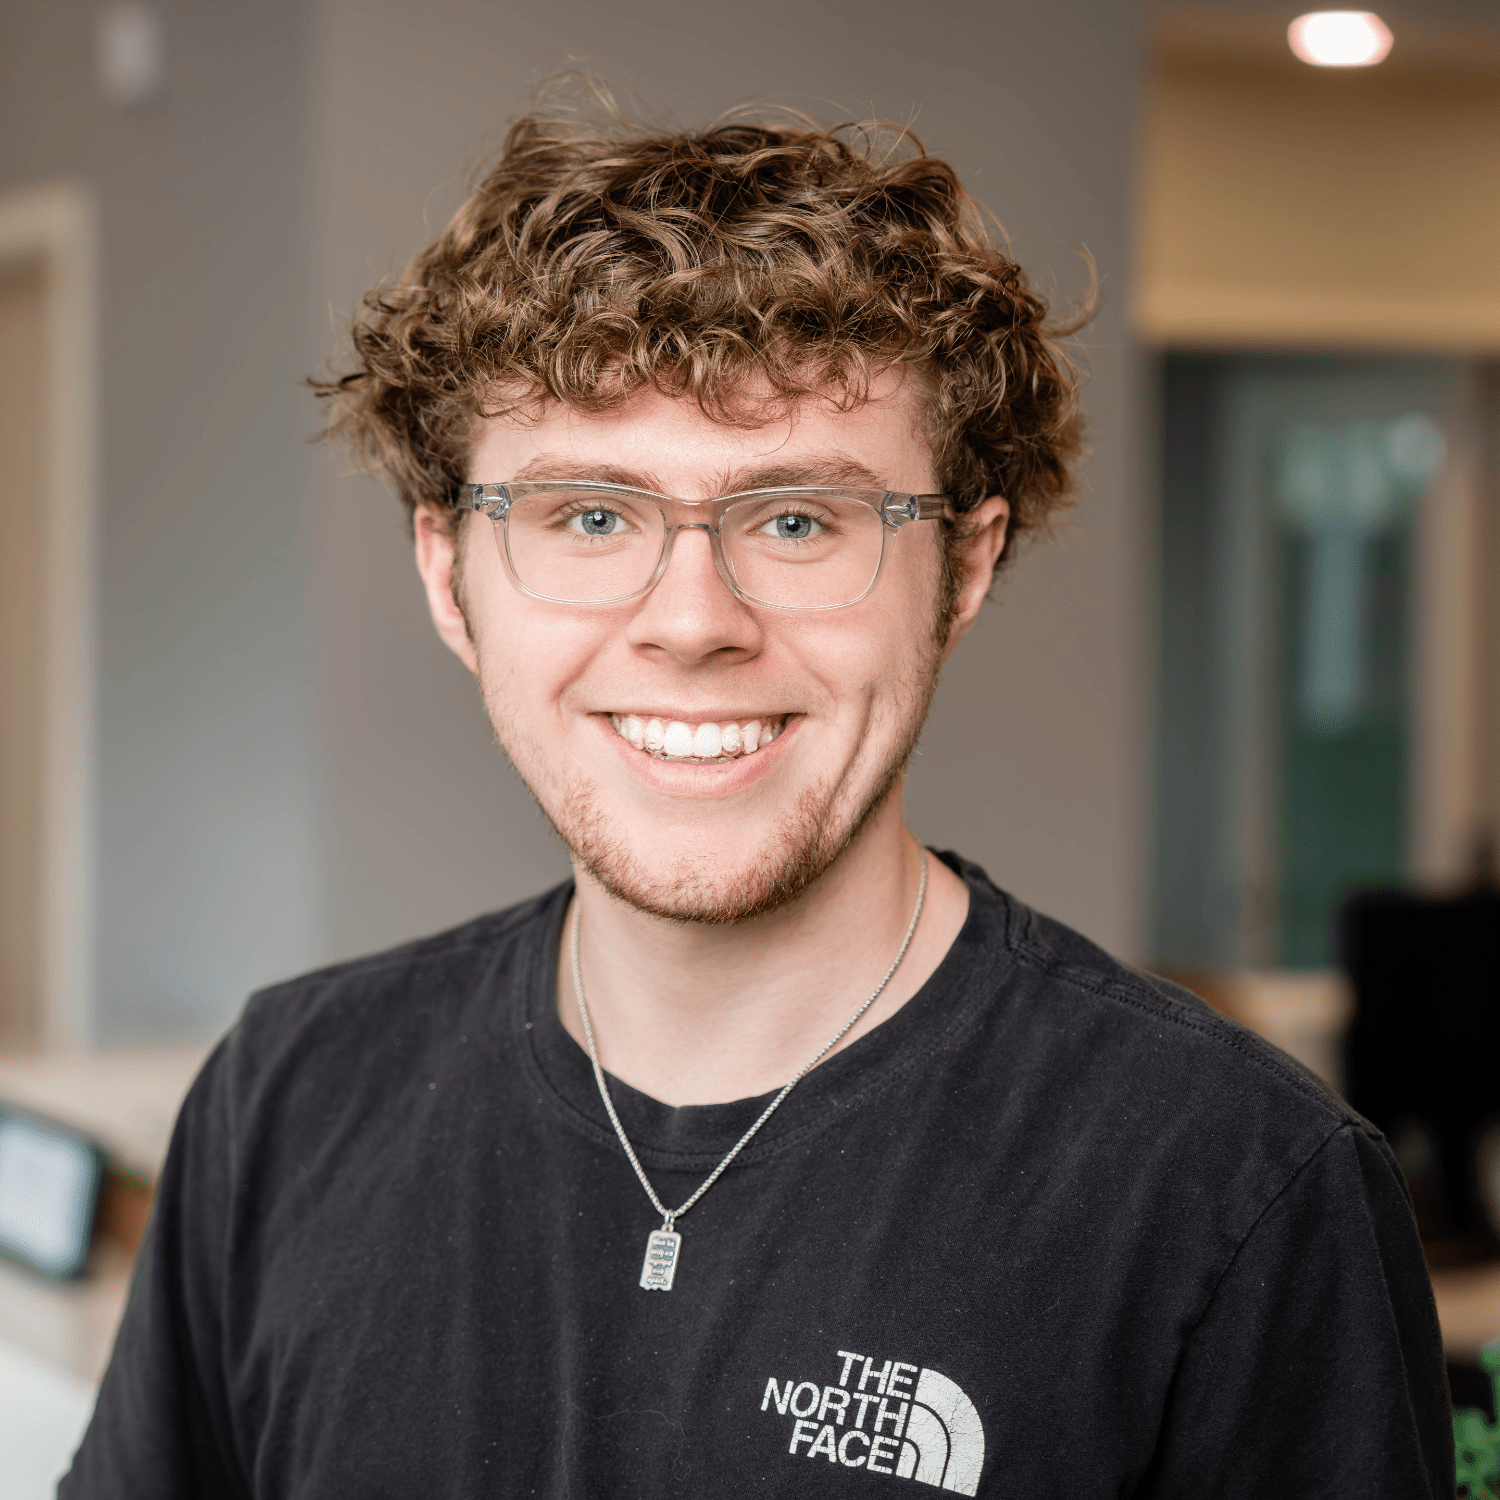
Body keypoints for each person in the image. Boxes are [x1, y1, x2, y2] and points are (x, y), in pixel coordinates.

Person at [63, 89, 1452, 1498]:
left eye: (795, 519)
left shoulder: (1238, 1188)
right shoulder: (288, 1100)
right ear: (447, 571)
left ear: (964, 569)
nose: (690, 621)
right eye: (589, 516)